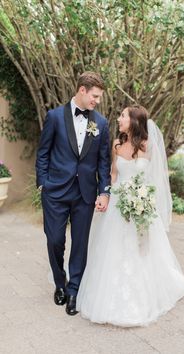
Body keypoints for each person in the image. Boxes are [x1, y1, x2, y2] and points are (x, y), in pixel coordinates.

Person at [77, 105, 184, 326]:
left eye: (123, 116)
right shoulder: (117, 144)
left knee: (141, 250)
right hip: (118, 205)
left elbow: (154, 179)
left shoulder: (148, 146)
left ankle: (144, 295)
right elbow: (112, 175)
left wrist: (144, 200)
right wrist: (105, 195)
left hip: (140, 204)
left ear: (134, 121)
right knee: (112, 248)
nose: (119, 119)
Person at [35, 72, 111, 316]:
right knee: (55, 240)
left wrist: (104, 191)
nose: (97, 101)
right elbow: (43, 152)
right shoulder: (55, 117)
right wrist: (42, 183)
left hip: (85, 194)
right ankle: (60, 283)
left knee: (80, 244)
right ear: (82, 90)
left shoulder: (100, 123)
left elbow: (103, 162)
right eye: (94, 96)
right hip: (55, 191)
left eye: (99, 97)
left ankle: (74, 291)